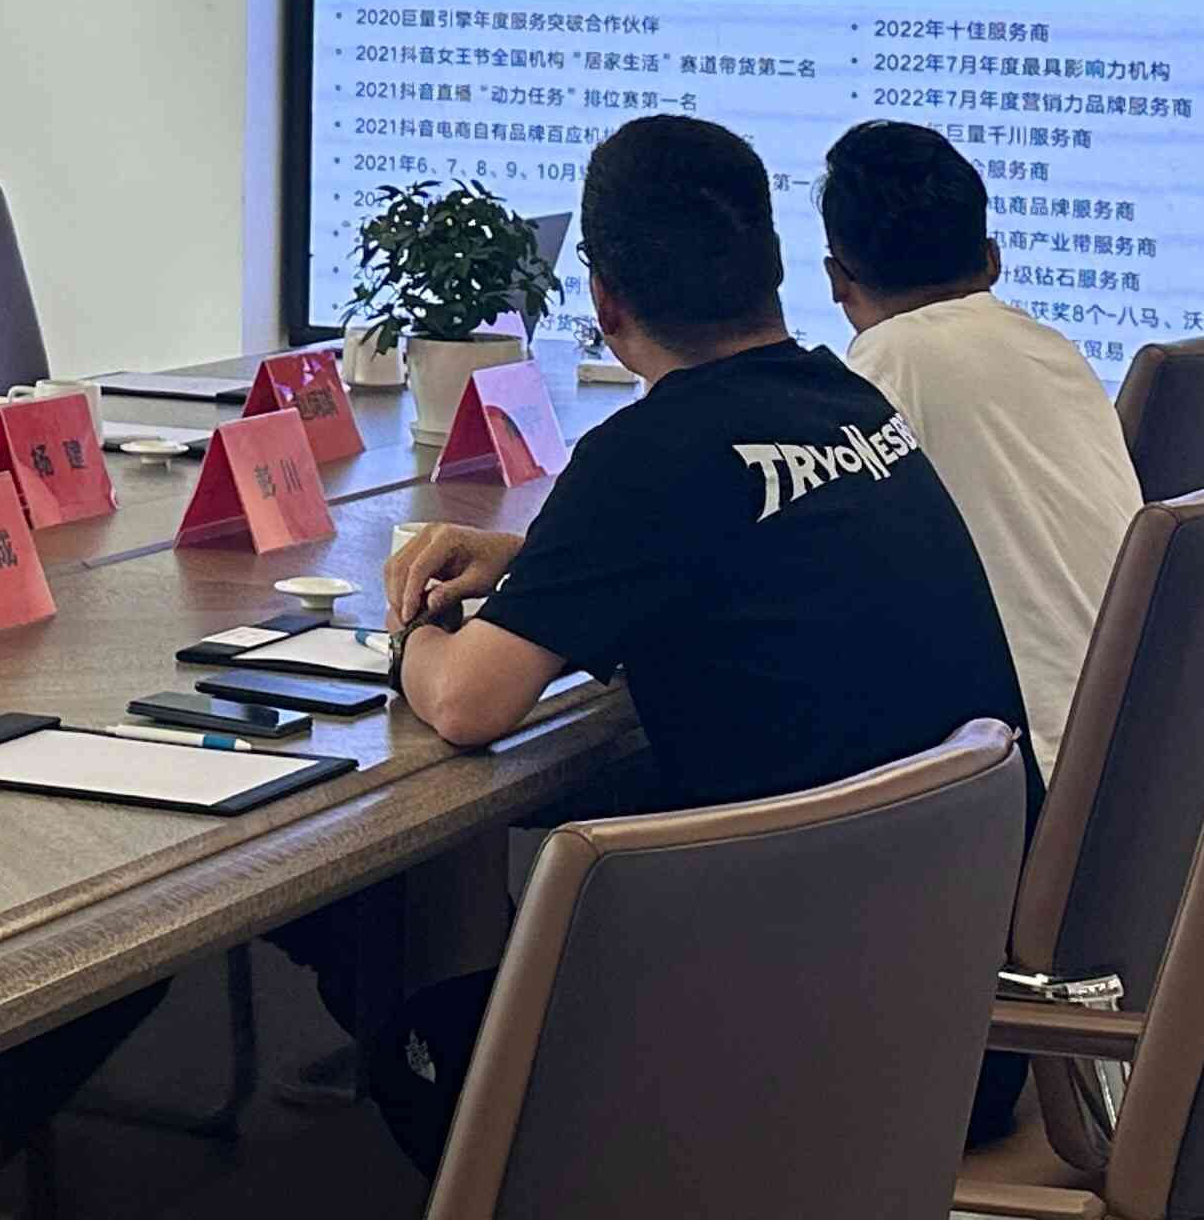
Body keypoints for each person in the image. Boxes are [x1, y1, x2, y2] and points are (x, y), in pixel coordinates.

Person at [377, 113, 1031, 1172]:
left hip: (807, 1055)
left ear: (604, 300)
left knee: (421, 1047)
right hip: (961, 1019)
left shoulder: (647, 453)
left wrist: (411, 623)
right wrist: (537, 562)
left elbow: (467, 703)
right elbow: (729, 544)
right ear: (775, 268)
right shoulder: (851, 404)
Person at [818, 118, 1144, 766]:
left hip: (1022, 768)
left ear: (836, 279)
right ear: (993, 259)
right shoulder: (1054, 349)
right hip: (1129, 740)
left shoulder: (879, 372)